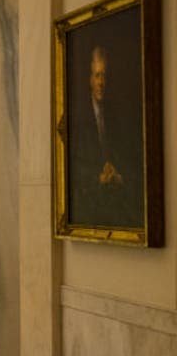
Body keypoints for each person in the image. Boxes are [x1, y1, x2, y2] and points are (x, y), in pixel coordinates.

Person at [68, 44, 142, 227]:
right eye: (97, 75)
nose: (101, 82)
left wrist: (116, 175)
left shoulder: (116, 116)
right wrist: (97, 178)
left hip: (116, 203)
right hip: (89, 207)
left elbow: (130, 159)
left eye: (104, 75)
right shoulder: (78, 117)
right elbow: (74, 170)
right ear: (89, 79)